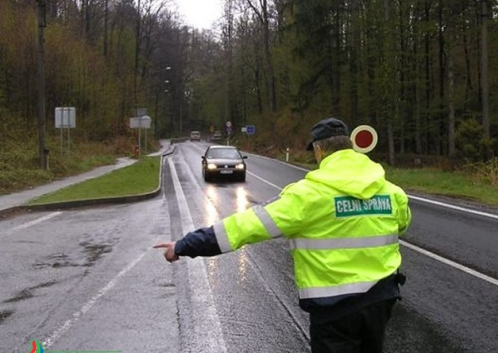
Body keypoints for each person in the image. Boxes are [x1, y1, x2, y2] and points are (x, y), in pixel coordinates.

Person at [154, 117, 411, 353]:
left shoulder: (307, 196)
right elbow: (402, 224)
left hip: (335, 309)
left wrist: (185, 245)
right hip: (381, 301)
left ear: (319, 150)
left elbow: (243, 227)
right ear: (351, 147)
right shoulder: (391, 191)